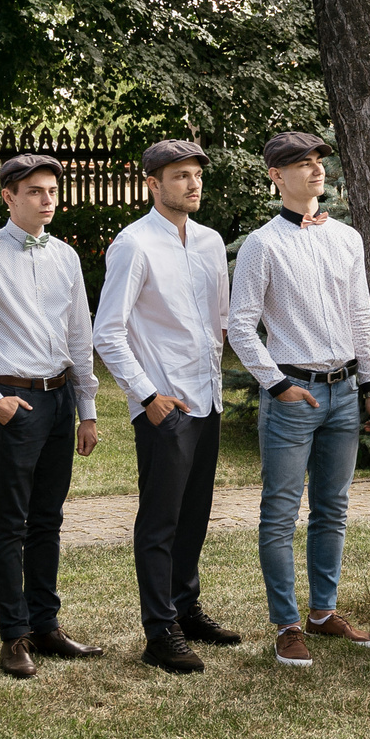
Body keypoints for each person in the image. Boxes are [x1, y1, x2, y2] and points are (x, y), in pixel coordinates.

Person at [0, 152, 104, 678]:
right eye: (34, 191)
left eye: (52, 191)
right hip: (15, 401)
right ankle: (14, 637)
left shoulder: (66, 257)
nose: (47, 200)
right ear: (9, 197)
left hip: (60, 400)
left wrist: (88, 408)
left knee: (49, 520)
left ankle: (47, 625)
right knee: (10, 522)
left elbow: (80, 336)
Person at [228, 131, 370, 667]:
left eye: (318, 160)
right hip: (293, 395)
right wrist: (277, 384)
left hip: (345, 391)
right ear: (276, 176)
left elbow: (361, 317)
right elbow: (240, 327)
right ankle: (287, 623)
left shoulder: (348, 238)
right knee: (279, 511)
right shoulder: (262, 244)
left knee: (333, 508)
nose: (315, 170)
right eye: (300, 163)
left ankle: (323, 613)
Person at [95, 138, 241, 676]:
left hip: (207, 401)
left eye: (196, 174)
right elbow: (107, 332)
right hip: (165, 406)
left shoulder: (209, 242)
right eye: (179, 176)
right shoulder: (133, 245)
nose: (193, 184)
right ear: (153, 184)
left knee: (195, 515)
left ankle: (186, 607)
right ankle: (160, 631)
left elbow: (219, 321)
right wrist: (148, 396)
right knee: (159, 522)